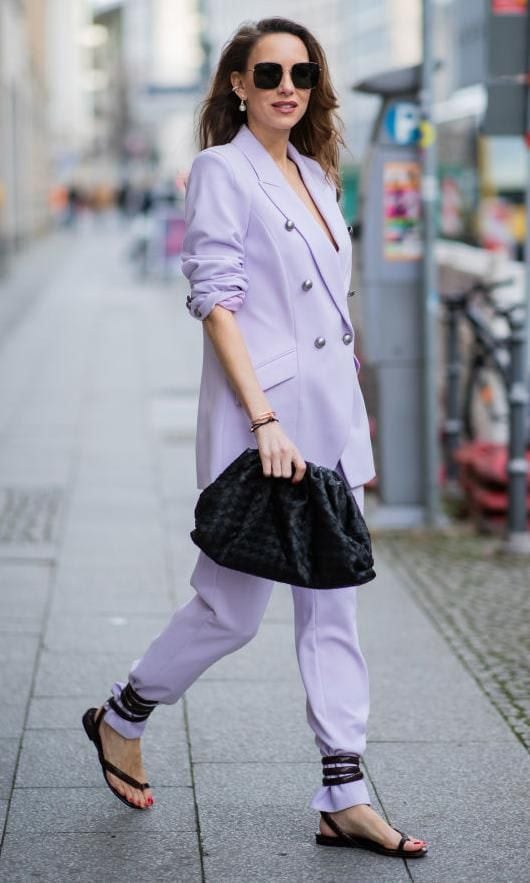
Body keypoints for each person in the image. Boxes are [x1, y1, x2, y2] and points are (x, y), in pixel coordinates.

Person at [83, 17, 428, 860]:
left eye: (301, 72)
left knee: (333, 606)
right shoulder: (219, 169)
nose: (286, 85)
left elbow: (326, 311)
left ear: (314, 85)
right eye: (267, 70)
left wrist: (349, 404)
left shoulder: (314, 170)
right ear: (236, 82)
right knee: (231, 612)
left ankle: (344, 791)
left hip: (330, 421)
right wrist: (265, 420)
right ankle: (122, 714)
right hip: (264, 423)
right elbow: (216, 299)